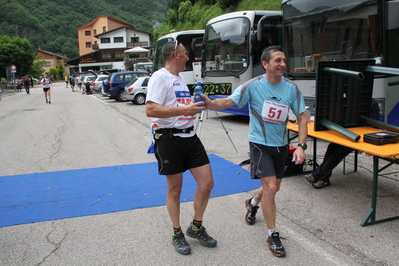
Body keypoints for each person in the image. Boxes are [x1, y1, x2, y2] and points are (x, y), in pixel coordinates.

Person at [201, 45, 308, 257]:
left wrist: (302, 146)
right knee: (270, 188)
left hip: (281, 145)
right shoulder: (253, 86)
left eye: (284, 60)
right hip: (260, 144)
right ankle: (272, 234)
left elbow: (303, 117)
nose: (283, 64)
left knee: (273, 187)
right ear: (266, 64)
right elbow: (228, 101)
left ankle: (252, 203)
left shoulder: (291, 89)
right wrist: (210, 104)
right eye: (278, 60)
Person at [145, 41, 217, 255]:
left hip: (190, 137)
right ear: (176, 55)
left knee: (207, 183)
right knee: (175, 189)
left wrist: (195, 104)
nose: (188, 58)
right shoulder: (159, 77)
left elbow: (179, 107)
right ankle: (177, 232)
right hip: (169, 139)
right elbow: (151, 109)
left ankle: (196, 227)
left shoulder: (179, 79)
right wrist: (185, 109)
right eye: (185, 54)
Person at [305, 99, 380, 188]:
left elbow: (373, 127)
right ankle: (324, 178)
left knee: (339, 151)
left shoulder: (372, 103)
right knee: (331, 148)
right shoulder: (349, 102)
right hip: (347, 134)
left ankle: (317, 175)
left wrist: (362, 144)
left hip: (359, 139)